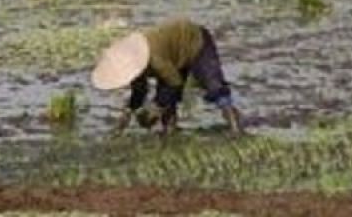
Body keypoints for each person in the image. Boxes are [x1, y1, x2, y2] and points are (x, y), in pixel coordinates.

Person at [90, 18, 244, 135]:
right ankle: (170, 130)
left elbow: (175, 83)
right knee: (166, 94)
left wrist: (156, 106)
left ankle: (234, 125)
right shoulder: (137, 64)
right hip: (174, 54)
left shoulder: (155, 59)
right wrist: (128, 113)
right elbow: (140, 91)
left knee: (213, 85)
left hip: (196, 41)